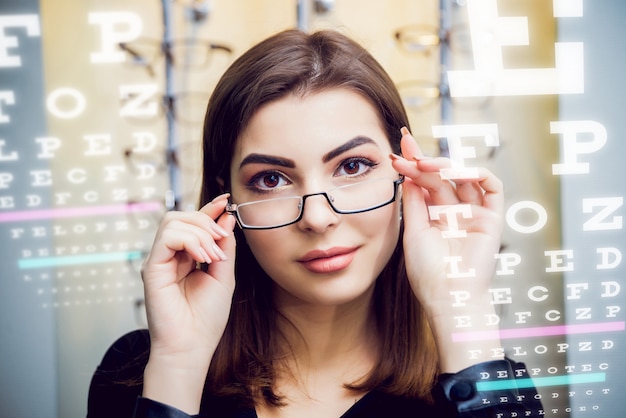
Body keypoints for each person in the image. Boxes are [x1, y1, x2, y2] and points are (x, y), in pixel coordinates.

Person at [88, 29, 542, 417]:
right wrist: (180, 365)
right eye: (271, 179)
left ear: (407, 172)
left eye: (352, 167)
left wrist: (461, 308)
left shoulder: (477, 377)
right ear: (226, 201)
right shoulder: (140, 370)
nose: (319, 219)